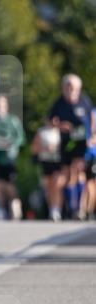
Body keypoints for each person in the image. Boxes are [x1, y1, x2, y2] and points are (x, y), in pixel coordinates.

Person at [46, 74, 93, 220]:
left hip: (82, 144)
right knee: (66, 174)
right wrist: (59, 125)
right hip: (66, 143)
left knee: (79, 172)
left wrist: (92, 136)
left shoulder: (84, 101)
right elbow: (49, 121)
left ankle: (80, 209)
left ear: (78, 88)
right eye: (67, 86)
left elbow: (92, 118)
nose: (70, 90)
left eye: (72, 87)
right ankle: (64, 208)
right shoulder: (58, 103)